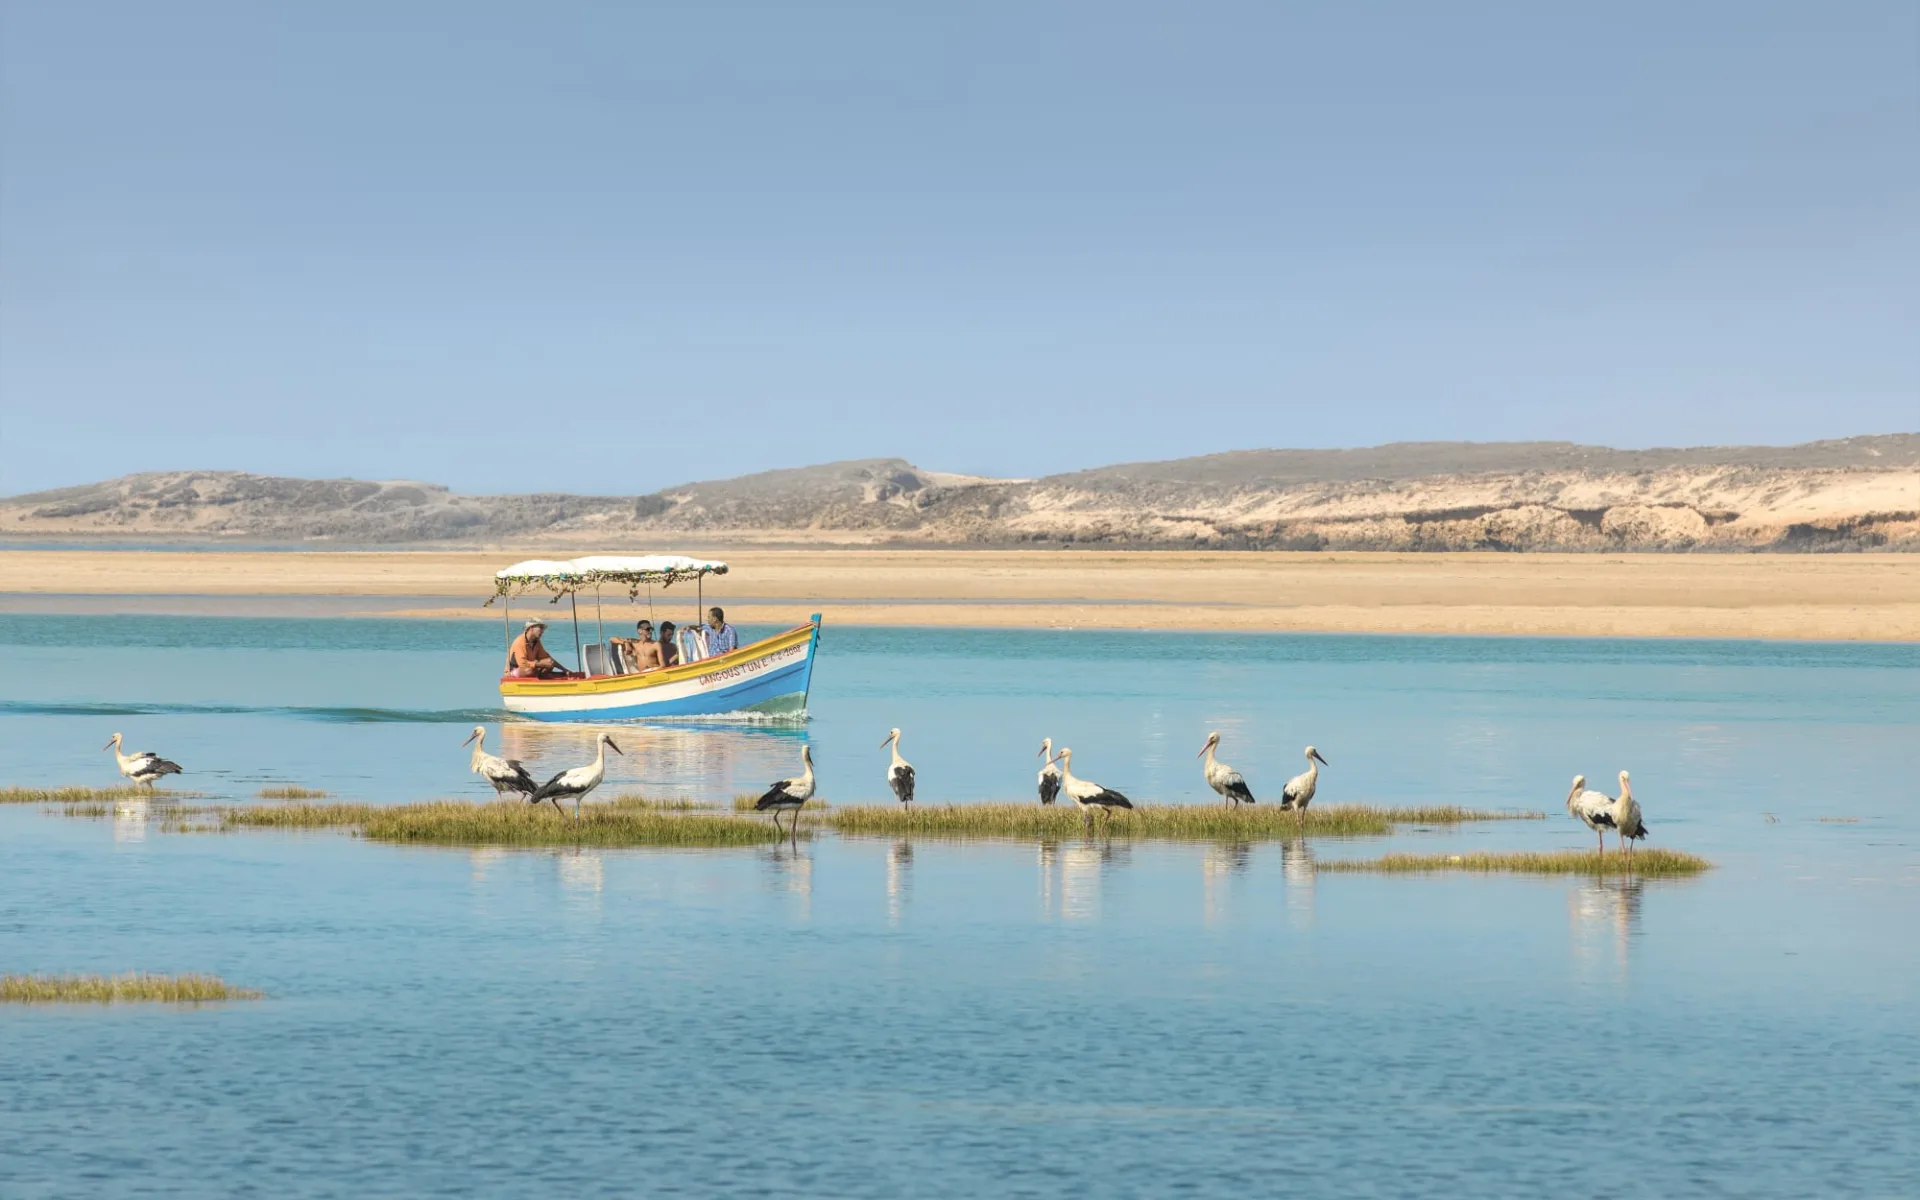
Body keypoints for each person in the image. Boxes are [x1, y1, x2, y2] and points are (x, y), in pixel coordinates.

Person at [506, 619, 571, 678]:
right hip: (517, 669)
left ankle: (542, 675)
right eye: (540, 628)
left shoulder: (536, 642)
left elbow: (547, 657)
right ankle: (543, 675)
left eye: (543, 629)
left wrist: (564, 669)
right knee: (529, 670)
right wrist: (540, 664)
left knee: (549, 662)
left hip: (530, 668)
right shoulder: (520, 642)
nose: (542, 631)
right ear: (531, 628)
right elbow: (522, 664)